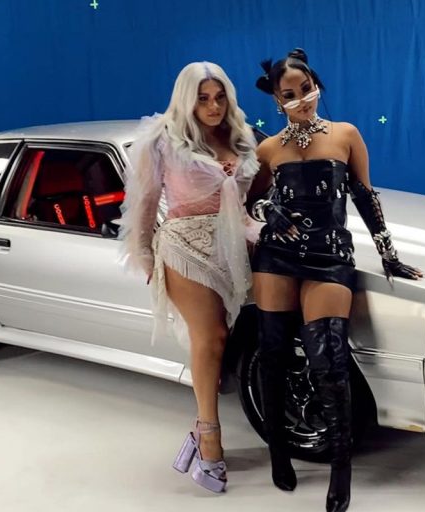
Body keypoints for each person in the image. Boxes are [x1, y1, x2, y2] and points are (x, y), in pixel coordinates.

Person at [248, 48, 423, 512]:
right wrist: (269, 210)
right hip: (276, 256)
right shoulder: (268, 148)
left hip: (329, 257)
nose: (301, 100)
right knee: (273, 356)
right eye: (289, 94)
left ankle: (341, 469)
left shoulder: (345, 134)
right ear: (276, 100)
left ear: (316, 85)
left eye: (306, 89)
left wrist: (389, 255)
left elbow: (365, 195)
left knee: (329, 361)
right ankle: (278, 451)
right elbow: (250, 203)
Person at [120, 61, 258, 493]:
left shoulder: (241, 136)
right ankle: (209, 435)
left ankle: (199, 435)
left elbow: (244, 207)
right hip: (185, 245)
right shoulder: (161, 140)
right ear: (186, 100)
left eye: (219, 98)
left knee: (229, 339)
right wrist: (145, 257)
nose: (213, 107)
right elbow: (145, 203)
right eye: (202, 99)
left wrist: (261, 231)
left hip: (235, 248)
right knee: (211, 336)